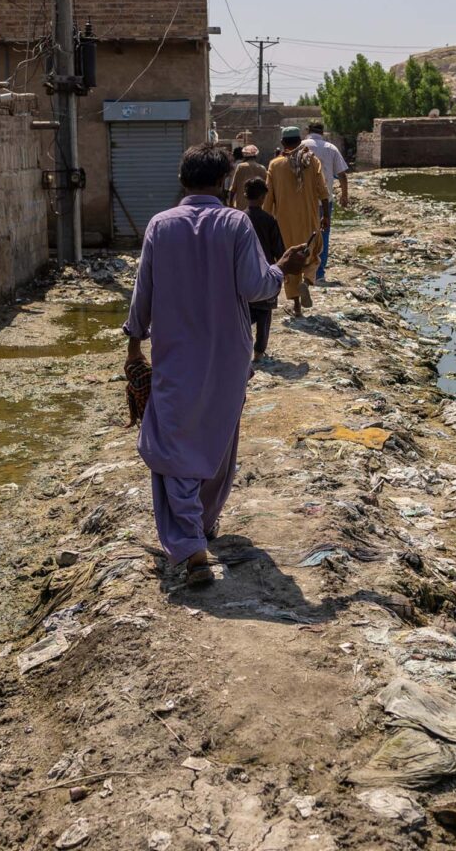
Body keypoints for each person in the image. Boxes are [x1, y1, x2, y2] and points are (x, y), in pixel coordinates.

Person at [123, 143, 309, 586]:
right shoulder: (235, 223)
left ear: (182, 180)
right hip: (228, 356)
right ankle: (199, 530)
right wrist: (283, 266)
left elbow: (142, 292)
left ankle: (191, 546)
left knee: (173, 445)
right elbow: (257, 287)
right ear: (226, 183)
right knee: (217, 440)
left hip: (176, 357)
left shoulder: (160, 225)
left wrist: (134, 347)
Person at [263, 126, 330, 317]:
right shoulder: (312, 161)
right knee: (314, 253)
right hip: (310, 220)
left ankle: (297, 308)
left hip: (285, 223)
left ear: (283, 143)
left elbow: (269, 200)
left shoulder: (275, 165)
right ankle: (308, 280)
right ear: (299, 141)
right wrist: (326, 216)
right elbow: (324, 193)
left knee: (290, 260)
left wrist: (268, 222)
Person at [301, 121, 349, 283]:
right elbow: (342, 175)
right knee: (323, 236)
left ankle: (304, 272)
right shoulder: (331, 148)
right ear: (323, 132)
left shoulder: (300, 147)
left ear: (307, 131)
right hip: (325, 201)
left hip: (305, 201)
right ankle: (319, 274)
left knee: (304, 235)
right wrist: (344, 195)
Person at [242, 176, 284, 361]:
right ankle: (259, 352)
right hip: (265, 272)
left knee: (243, 315)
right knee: (264, 316)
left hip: (243, 273)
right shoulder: (269, 220)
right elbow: (279, 250)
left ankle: (241, 348)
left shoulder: (239, 220)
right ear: (262, 197)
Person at [227, 144, 267, 210]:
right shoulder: (262, 168)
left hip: (241, 207)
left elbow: (233, 188)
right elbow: (266, 189)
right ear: (256, 155)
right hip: (258, 206)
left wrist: (230, 203)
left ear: (244, 156)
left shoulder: (240, 167)